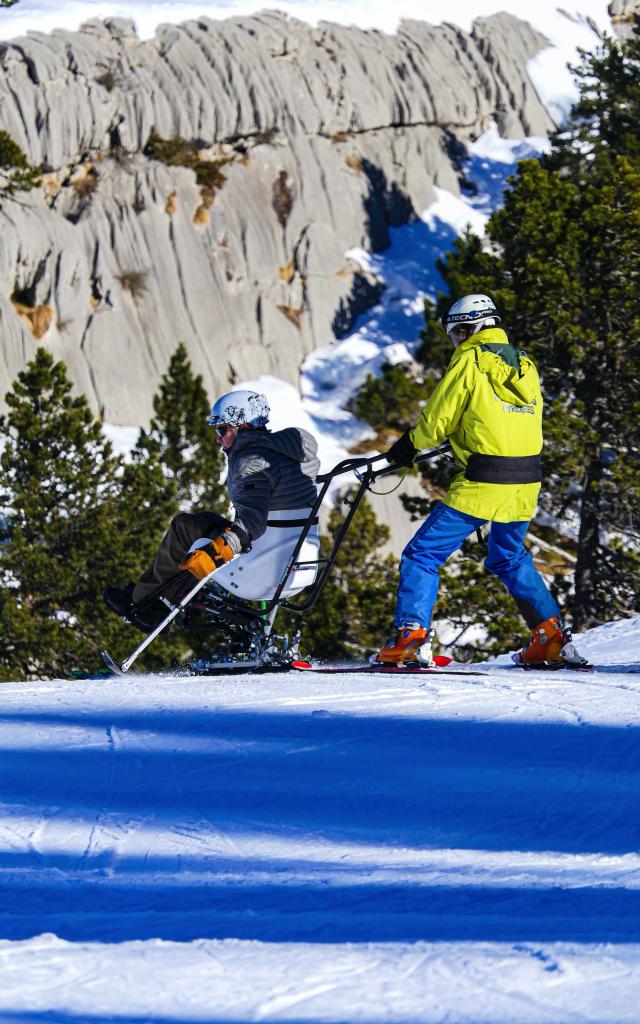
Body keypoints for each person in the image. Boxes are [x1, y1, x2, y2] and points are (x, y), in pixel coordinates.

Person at [375, 294, 587, 668]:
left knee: (422, 554)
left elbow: (437, 421)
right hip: (526, 480)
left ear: (473, 327)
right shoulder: (525, 363)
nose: (455, 340)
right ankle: (551, 638)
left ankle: (411, 639)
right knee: (508, 556)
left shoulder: (470, 361)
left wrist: (407, 446)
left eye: (458, 331)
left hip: (484, 478)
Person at [105, 389, 320, 631]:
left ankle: (145, 607)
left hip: (262, 573)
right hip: (299, 568)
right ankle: (156, 597)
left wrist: (218, 552)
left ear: (244, 425)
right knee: (204, 522)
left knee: (184, 528)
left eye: (222, 430)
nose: (218, 439)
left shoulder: (250, 462)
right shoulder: (294, 452)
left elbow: (252, 523)